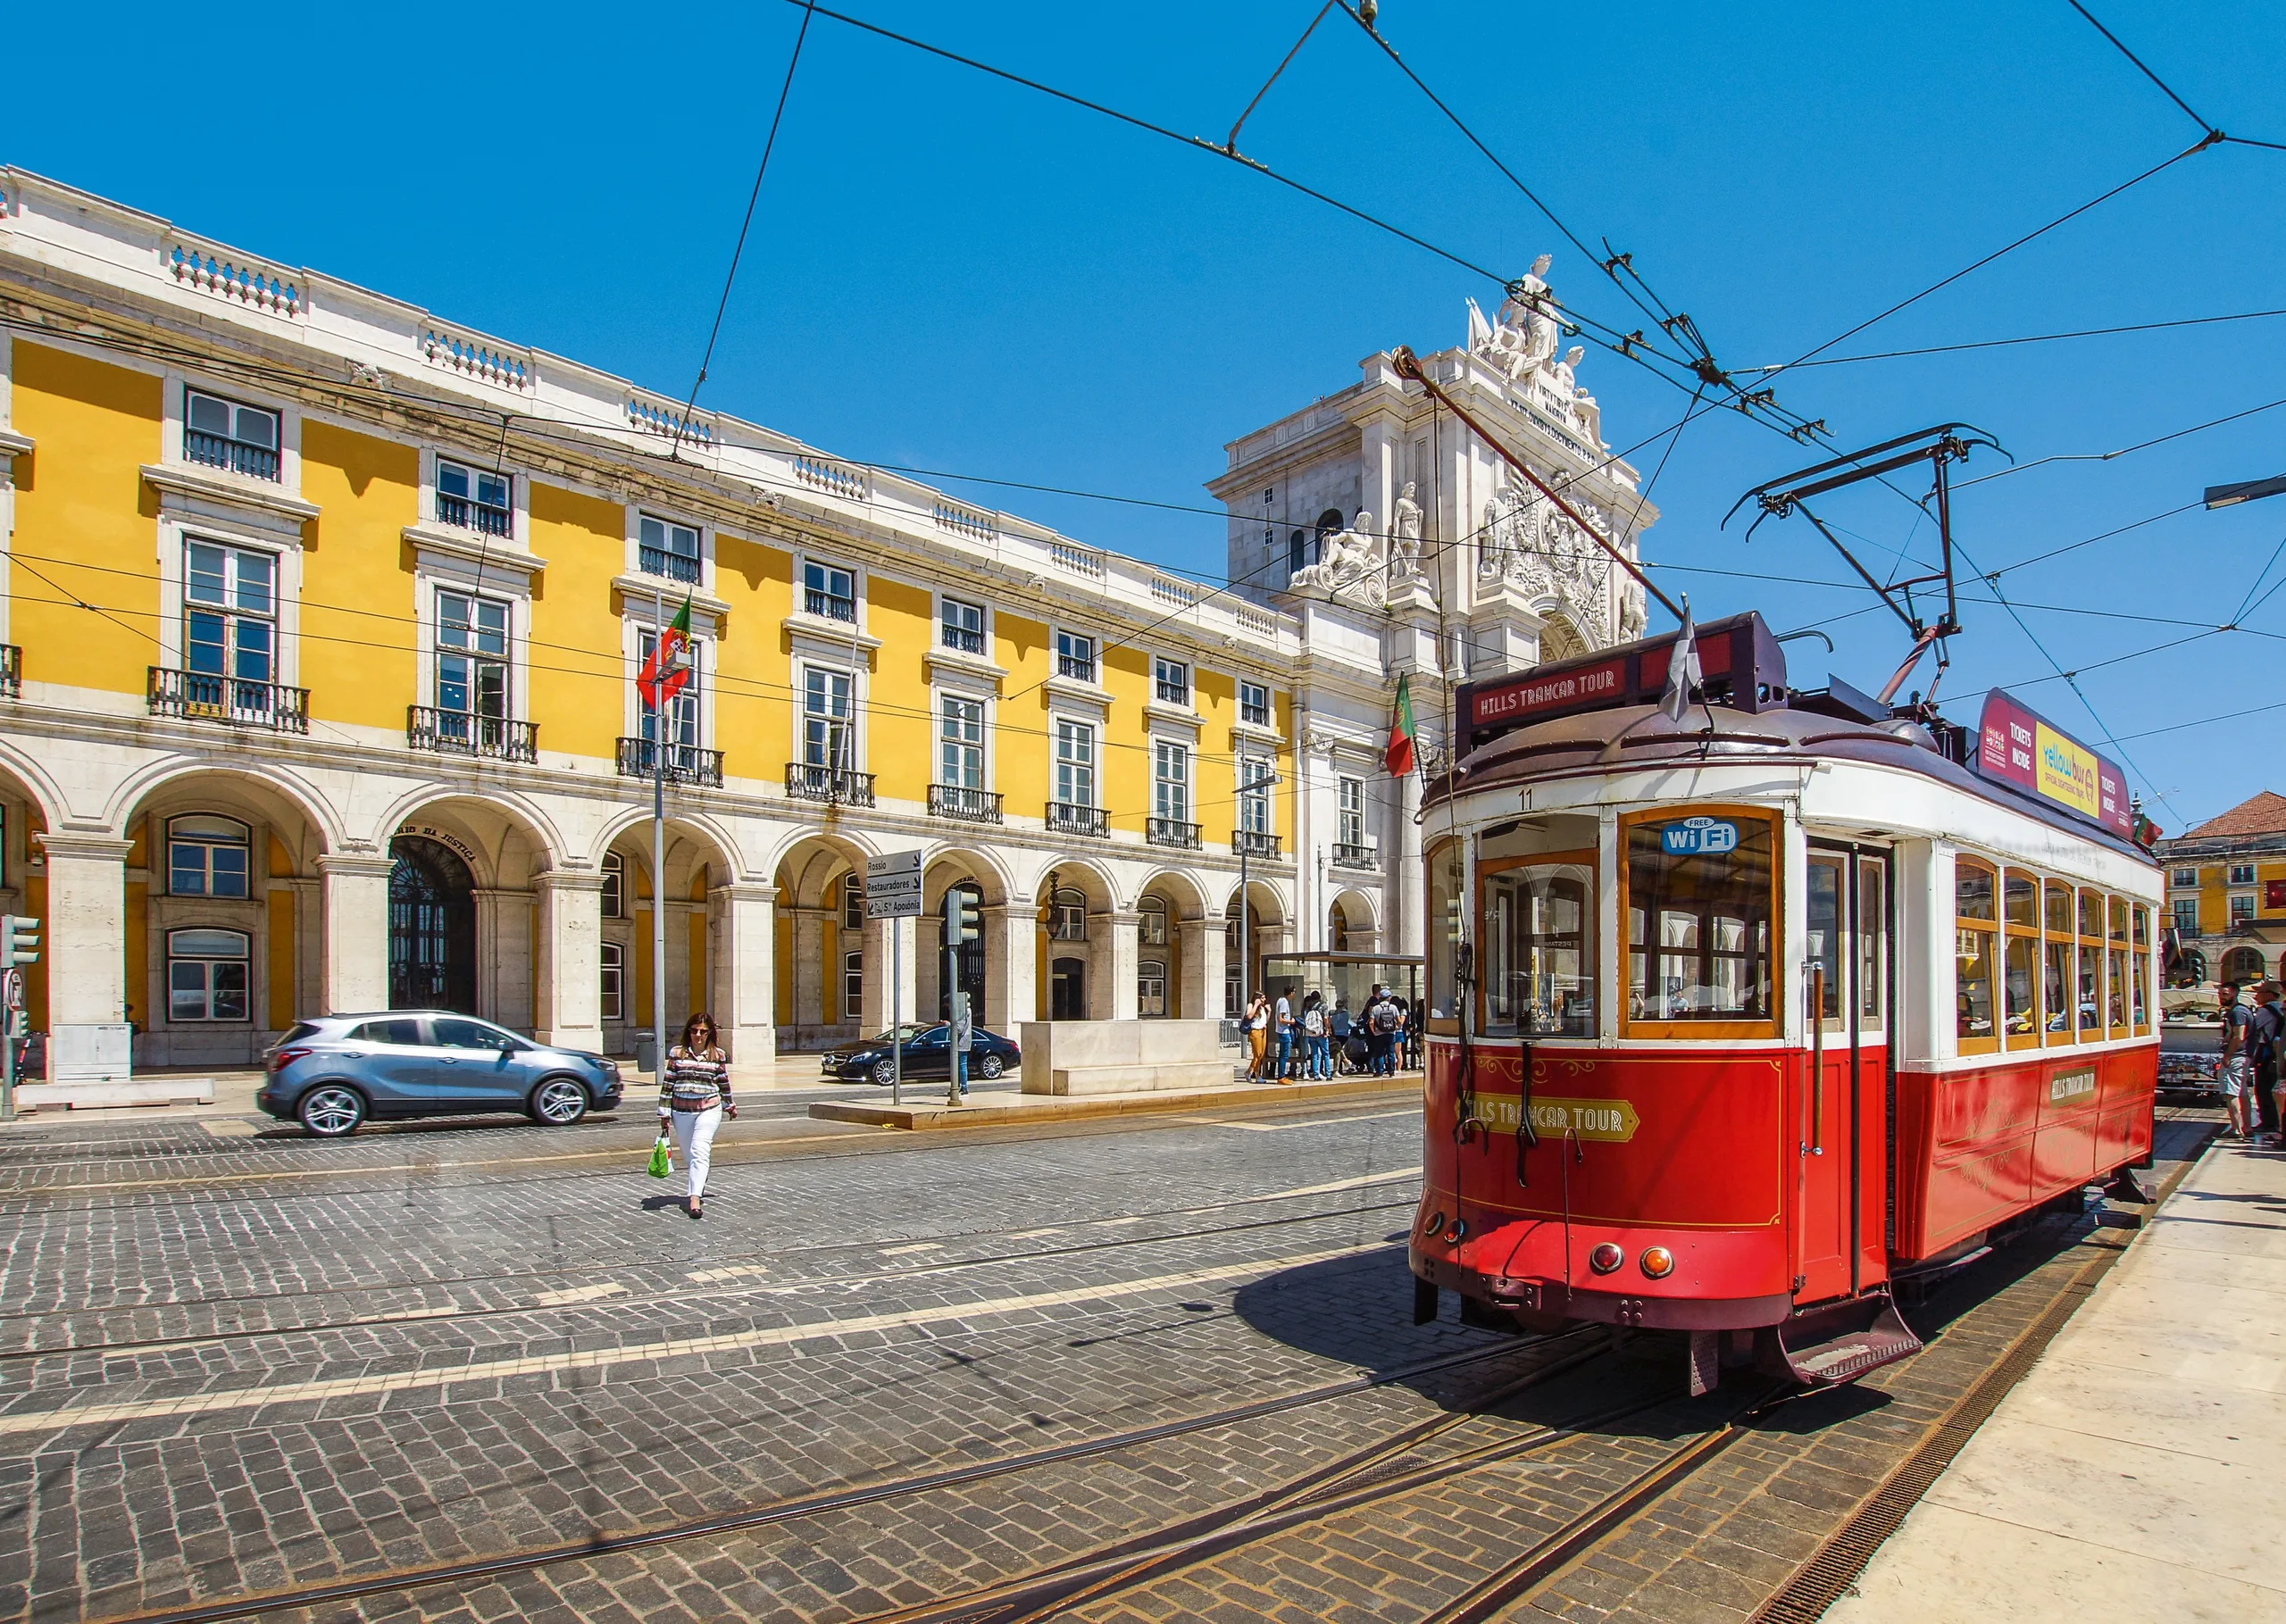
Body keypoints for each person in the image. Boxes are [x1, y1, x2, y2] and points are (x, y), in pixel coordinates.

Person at [658, 1012, 734, 1220]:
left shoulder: (717, 1055)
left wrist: (729, 1104)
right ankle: (700, 1178)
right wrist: (664, 1112)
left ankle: (694, 1199)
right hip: (681, 1111)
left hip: (709, 1109)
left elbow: (723, 1082)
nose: (698, 1035)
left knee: (700, 1150)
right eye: (694, 1031)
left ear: (710, 1033)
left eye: (703, 1031)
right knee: (690, 1154)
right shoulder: (677, 1053)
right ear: (688, 1031)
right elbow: (668, 1084)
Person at [2252, 980, 2286, 1146]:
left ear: (2270, 994)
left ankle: (2269, 1122)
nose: (2256, 995)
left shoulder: (2265, 1011)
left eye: (2259, 992)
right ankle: (2276, 1124)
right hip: (2276, 1054)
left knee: (2264, 1089)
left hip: (2268, 1054)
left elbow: (2252, 1029)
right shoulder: (2280, 1007)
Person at [2218, 980, 2252, 1137]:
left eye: (2225, 994)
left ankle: (2236, 1129)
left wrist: (2228, 1055)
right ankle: (2247, 1127)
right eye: (2220, 994)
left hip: (2236, 1057)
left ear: (2234, 993)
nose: (2221, 997)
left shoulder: (2237, 1012)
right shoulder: (2239, 1011)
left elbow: (2239, 1036)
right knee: (2242, 1092)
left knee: (2231, 1093)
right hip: (2242, 1056)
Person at [1302, 991, 1330, 1079]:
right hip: (1321, 1033)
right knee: (1326, 1053)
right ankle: (1328, 1074)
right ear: (1319, 997)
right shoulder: (1323, 1006)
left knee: (1315, 1054)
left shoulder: (1310, 1007)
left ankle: (1316, 1075)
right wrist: (1327, 1029)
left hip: (1312, 1033)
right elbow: (1325, 1018)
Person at [1272, 985, 1297, 1082]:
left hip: (1281, 1031)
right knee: (1284, 1055)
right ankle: (1281, 1076)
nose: (1294, 994)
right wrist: (1291, 1022)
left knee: (1282, 1054)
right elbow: (1281, 1019)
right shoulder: (1284, 1002)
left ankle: (1281, 1075)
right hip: (1284, 1031)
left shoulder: (1281, 1000)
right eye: (1294, 992)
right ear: (1291, 993)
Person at [950, 995, 973, 1097]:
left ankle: (963, 1087)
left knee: (962, 1064)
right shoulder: (967, 1010)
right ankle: (959, 1086)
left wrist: (947, 1024)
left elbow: (959, 1029)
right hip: (964, 1039)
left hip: (962, 1041)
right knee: (960, 1064)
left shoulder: (963, 1012)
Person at [1245, 991, 1272, 1079]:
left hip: (1263, 1030)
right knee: (1257, 1053)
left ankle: (1253, 1073)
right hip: (1255, 1031)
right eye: (1262, 998)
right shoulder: (1251, 1005)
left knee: (1261, 1054)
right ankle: (1253, 1073)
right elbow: (1249, 1016)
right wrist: (1256, 1005)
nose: (1264, 1000)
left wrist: (1269, 1011)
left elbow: (1265, 1021)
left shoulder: (1262, 1008)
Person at [1330, 998, 1354, 1075]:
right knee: (1339, 1049)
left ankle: (1339, 1068)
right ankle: (1345, 1063)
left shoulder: (1335, 1015)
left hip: (1337, 1034)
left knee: (1338, 1050)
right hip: (1344, 1034)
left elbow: (1333, 1024)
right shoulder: (1346, 1013)